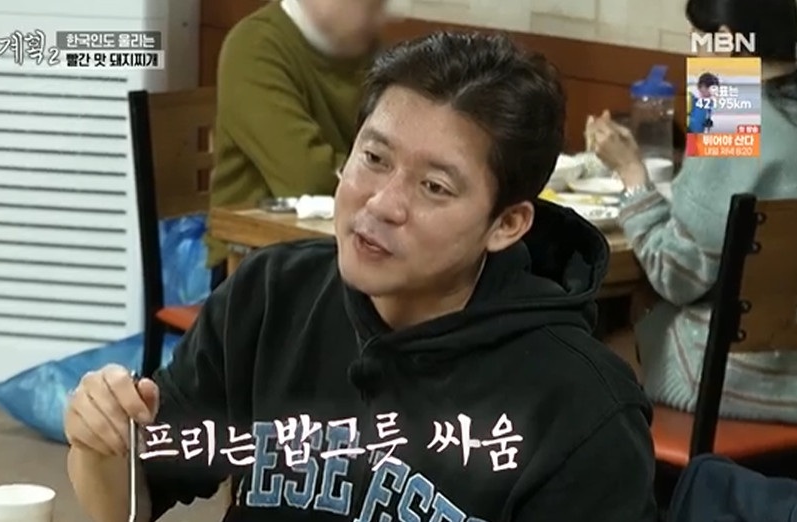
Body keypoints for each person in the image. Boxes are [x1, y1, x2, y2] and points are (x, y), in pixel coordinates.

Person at [66, 32, 657, 522]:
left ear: (507, 224)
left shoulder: (581, 409)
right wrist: (101, 439)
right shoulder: (272, 295)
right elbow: (132, 501)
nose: (382, 203)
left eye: (434, 187)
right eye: (373, 158)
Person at [588, 0, 797, 422]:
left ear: (727, 39)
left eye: (698, 35)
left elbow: (676, 274)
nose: (694, 46)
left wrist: (631, 174)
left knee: (587, 355)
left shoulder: (729, 104)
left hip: (732, 379)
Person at [205, 0, 388, 289]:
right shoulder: (255, 46)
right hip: (259, 261)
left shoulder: (374, 53)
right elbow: (308, 178)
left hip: (349, 248)